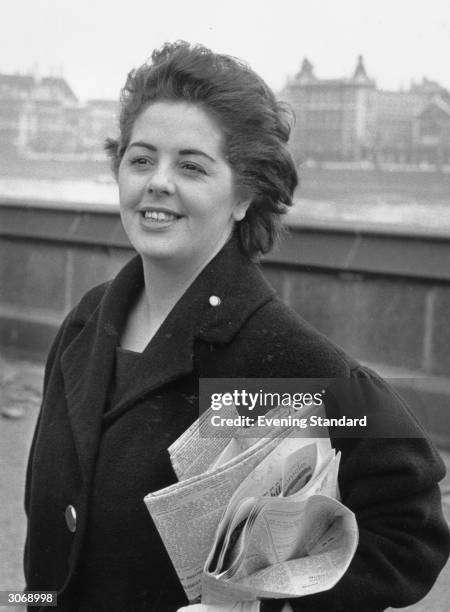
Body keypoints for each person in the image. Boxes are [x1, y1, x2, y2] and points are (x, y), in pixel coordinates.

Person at [24, 41, 449, 612]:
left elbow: (410, 534)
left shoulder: (279, 361)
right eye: (141, 159)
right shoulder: (86, 322)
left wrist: (272, 601)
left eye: (192, 166)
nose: (157, 182)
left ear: (245, 195)